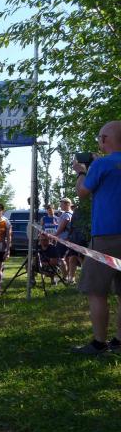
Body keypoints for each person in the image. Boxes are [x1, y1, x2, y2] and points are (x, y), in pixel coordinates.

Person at [71, 121, 121, 355]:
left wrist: (82, 171)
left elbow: (82, 192)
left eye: (100, 138)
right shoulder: (105, 163)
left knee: (96, 291)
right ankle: (119, 342)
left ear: (105, 139)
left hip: (106, 236)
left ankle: (99, 344)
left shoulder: (102, 164)